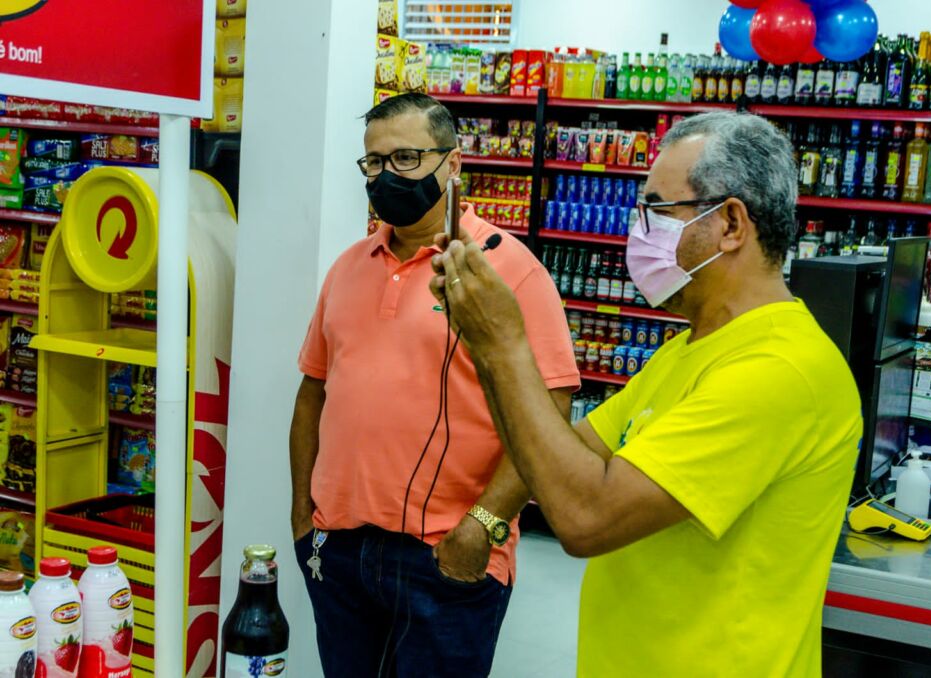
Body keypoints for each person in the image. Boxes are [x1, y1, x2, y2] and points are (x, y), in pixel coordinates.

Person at [429, 111, 863, 677]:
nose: (638, 231)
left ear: (731, 223)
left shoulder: (778, 369)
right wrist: (482, 340)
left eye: (657, 210)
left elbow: (585, 518)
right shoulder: (690, 350)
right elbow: (560, 460)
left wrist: (505, 344)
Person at [290, 93, 580, 676]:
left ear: (452, 164)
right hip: (339, 549)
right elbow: (314, 392)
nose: (385, 175)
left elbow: (550, 410)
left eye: (405, 159)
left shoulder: (507, 267)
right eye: (374, 163)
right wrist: (303, 516)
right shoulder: (348, 267)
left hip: (447, 554)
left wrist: (485, 527)